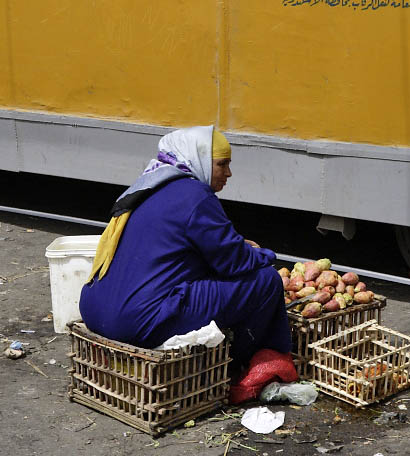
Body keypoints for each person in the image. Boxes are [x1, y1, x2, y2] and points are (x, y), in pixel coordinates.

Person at [79, 126, 291, 366]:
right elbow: (234, 262)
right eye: (222, 164)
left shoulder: (150, 185)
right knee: (266, 280)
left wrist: (238, 246)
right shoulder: (196, 195)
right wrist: (262, 254)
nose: (229, 173)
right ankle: (241, 366)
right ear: (198, 159)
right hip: (135, 321)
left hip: (93, 310)